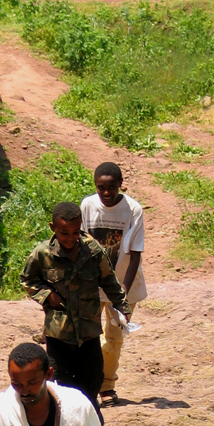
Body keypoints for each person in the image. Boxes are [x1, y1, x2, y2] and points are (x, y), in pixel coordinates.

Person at [21, 201, 130, 419]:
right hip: (58, 335)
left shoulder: (93, 251)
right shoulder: (43, 254)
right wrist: (47, 295)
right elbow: (27, 280)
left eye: (75, 232)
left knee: (91, 382)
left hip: (88, 333)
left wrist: (122, 307)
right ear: (53, 228)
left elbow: (109, 281)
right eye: (64, 233)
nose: (70, 238)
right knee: (62, 386)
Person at [81, 162, 147, 407]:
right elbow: (80, 245)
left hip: (123, 283)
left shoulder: (133, 210)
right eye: (101, 188)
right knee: (87, 335)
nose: (106, 193)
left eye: (112, 187)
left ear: (120, 185)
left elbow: (135, 254)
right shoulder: (88, 206)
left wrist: (122, 296)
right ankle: (87, 384)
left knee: (113, 338)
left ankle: (107, 385)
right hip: (91, 283)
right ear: (95, 186)